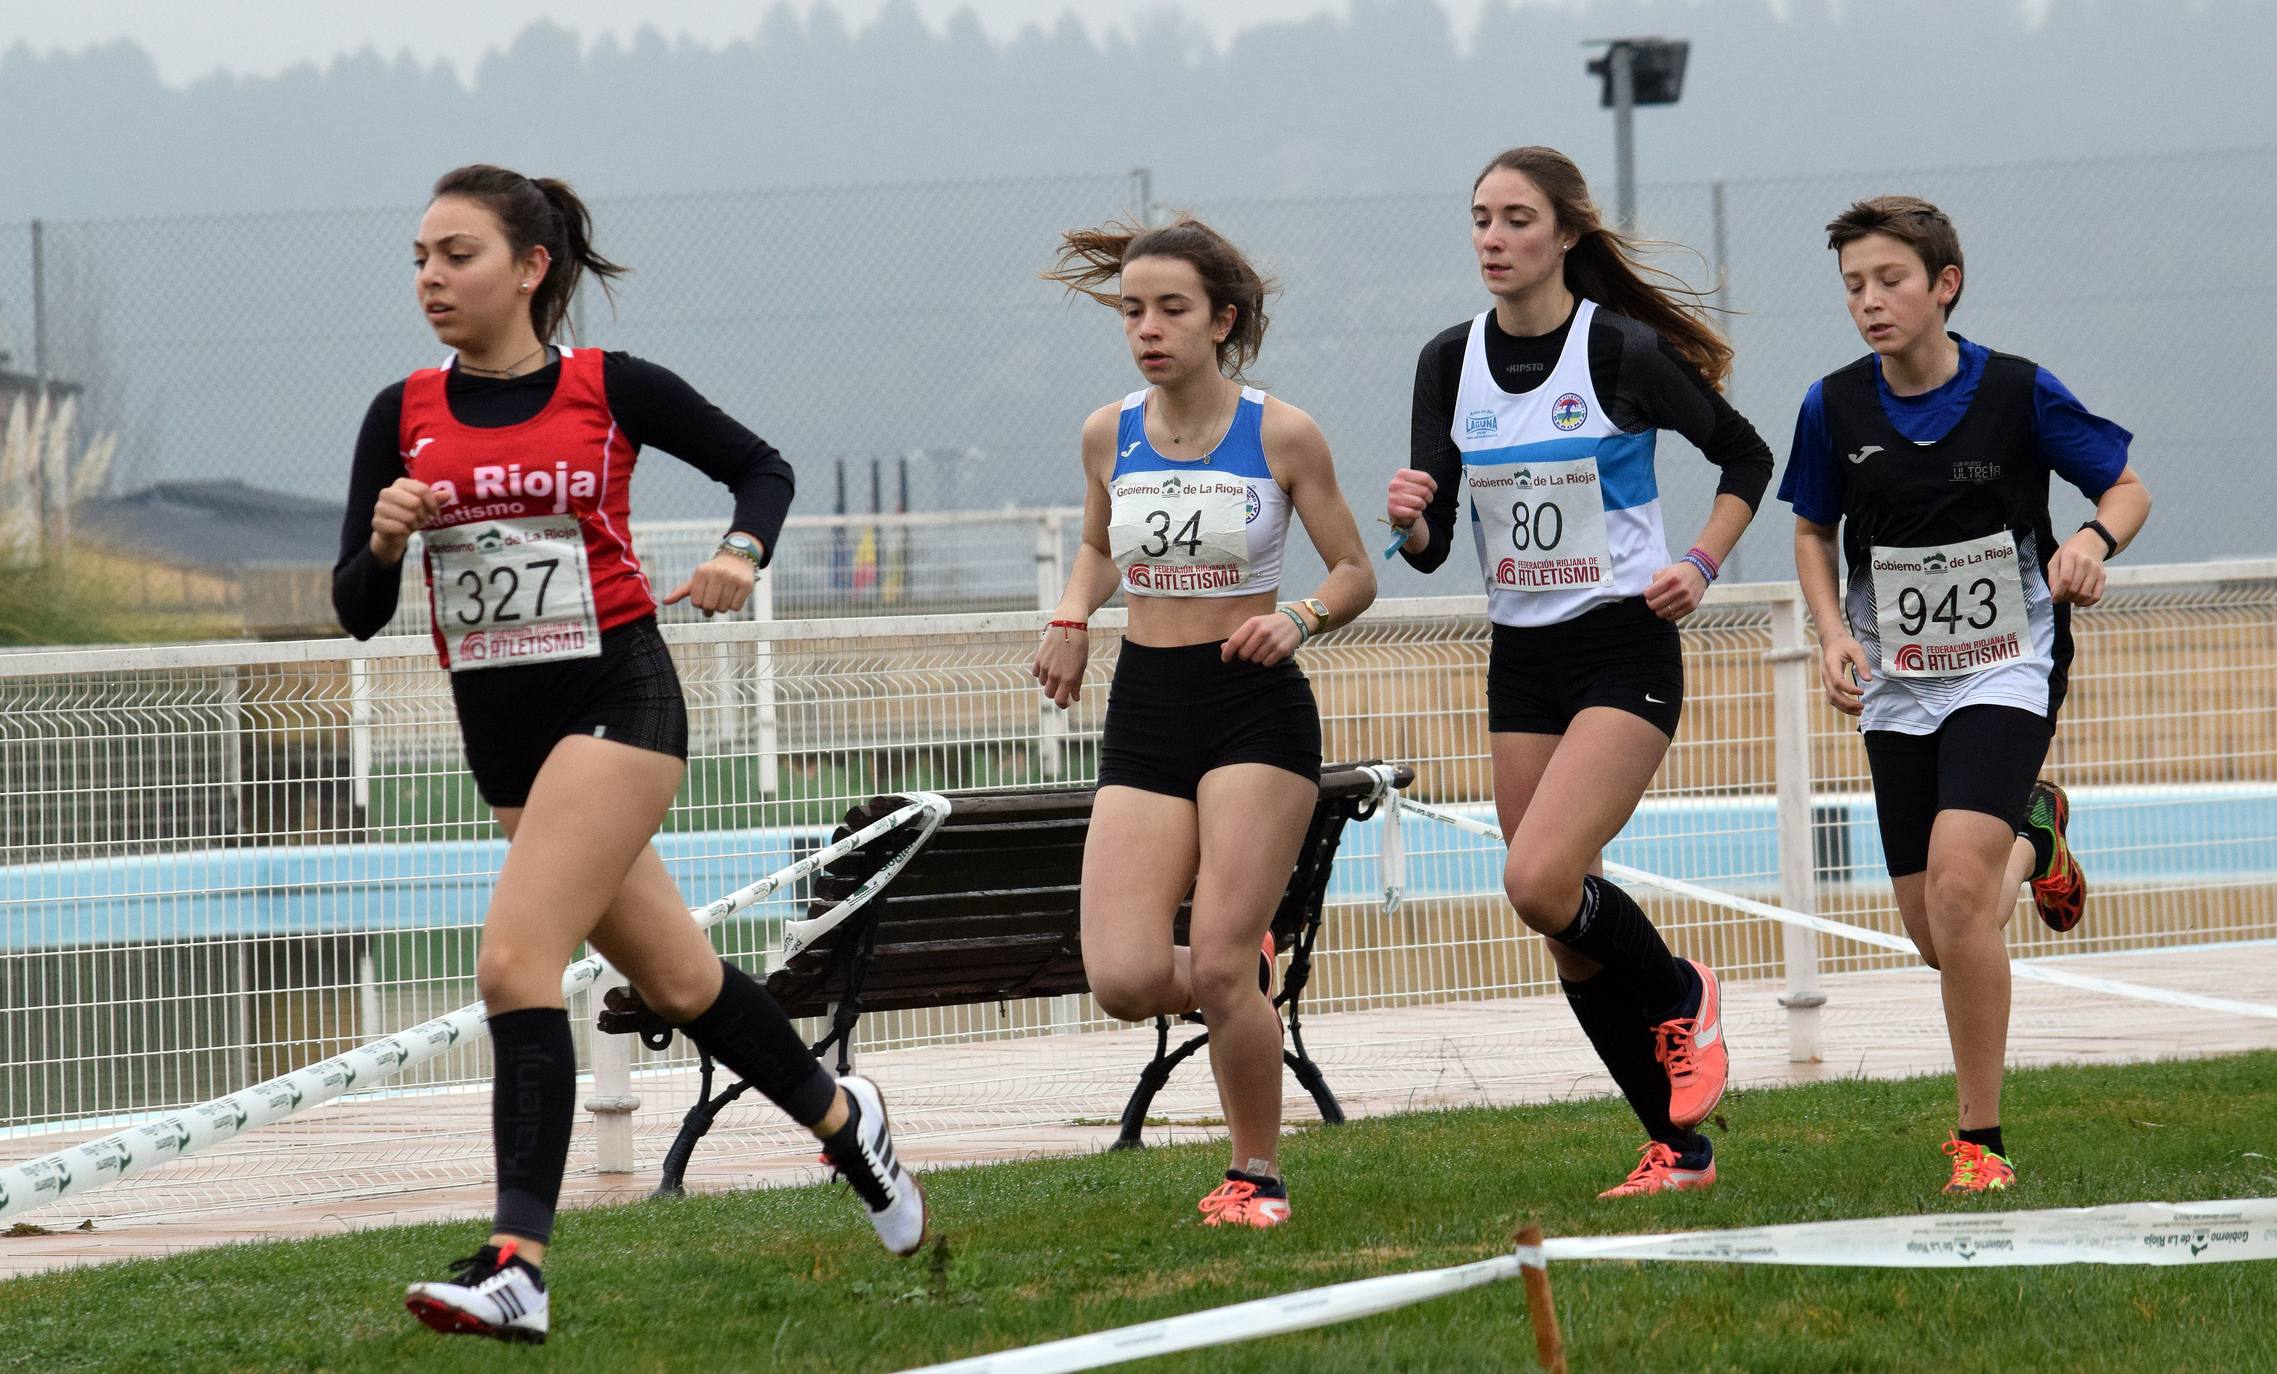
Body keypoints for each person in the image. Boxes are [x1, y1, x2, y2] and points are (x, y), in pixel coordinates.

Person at [332, 164, 925, 1345]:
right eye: (419, 258)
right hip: (504, 738)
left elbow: (765, 466)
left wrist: (741, 553)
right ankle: (845, 1121)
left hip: (622, 697)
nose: (432, 279)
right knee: (684, 984)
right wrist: (390, 546)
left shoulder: (610, 386)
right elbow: (352, 606)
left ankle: (517, 1264)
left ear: (531, 268)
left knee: (513, 964)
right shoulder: (400, 412)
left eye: (458, 255)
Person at [1386, 146, 1774, 1199]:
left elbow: (1746, 458)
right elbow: (1427, 551)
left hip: (1622, 645)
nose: (1493, 239)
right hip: (1522, 659)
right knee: (1560, 922)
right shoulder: (1446, 360)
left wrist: (1699, 562)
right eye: (1479, 220)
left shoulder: (1622, 352)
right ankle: (1677, 1149)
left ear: (1563, 235)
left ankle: (1684, 992)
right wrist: (1414, 520)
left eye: (1516, 219)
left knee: (1538, 879)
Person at [1780, 195, 2148, 1194]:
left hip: (2007, 663)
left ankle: (1980, 1142)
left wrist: (2088, 540)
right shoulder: (1833, 407)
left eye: (1890, 280)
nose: (1870, 301)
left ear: (1945, 284)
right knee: (1938, 928)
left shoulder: (2019, 393)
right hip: (1900, 684)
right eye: (1854, 285)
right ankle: (2038, 832)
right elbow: (1813, 531)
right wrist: (1833, 635)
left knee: (1956, 890)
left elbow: (2125, 487)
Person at [1033, 214, 1376, 1228]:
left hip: (1250, 707)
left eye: (1172, 309)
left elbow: (1355, 571)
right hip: (1147, 702)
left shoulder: (1282, 433)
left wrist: (1298, 618)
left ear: (1222, 320)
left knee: (1219, 959)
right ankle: (1243, 985)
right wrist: (1069, 617)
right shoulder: (1109, 432)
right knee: (1126, 975)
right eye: (1133, 310)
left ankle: (1254, 1172)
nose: (1149, 328)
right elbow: (1102, 547)